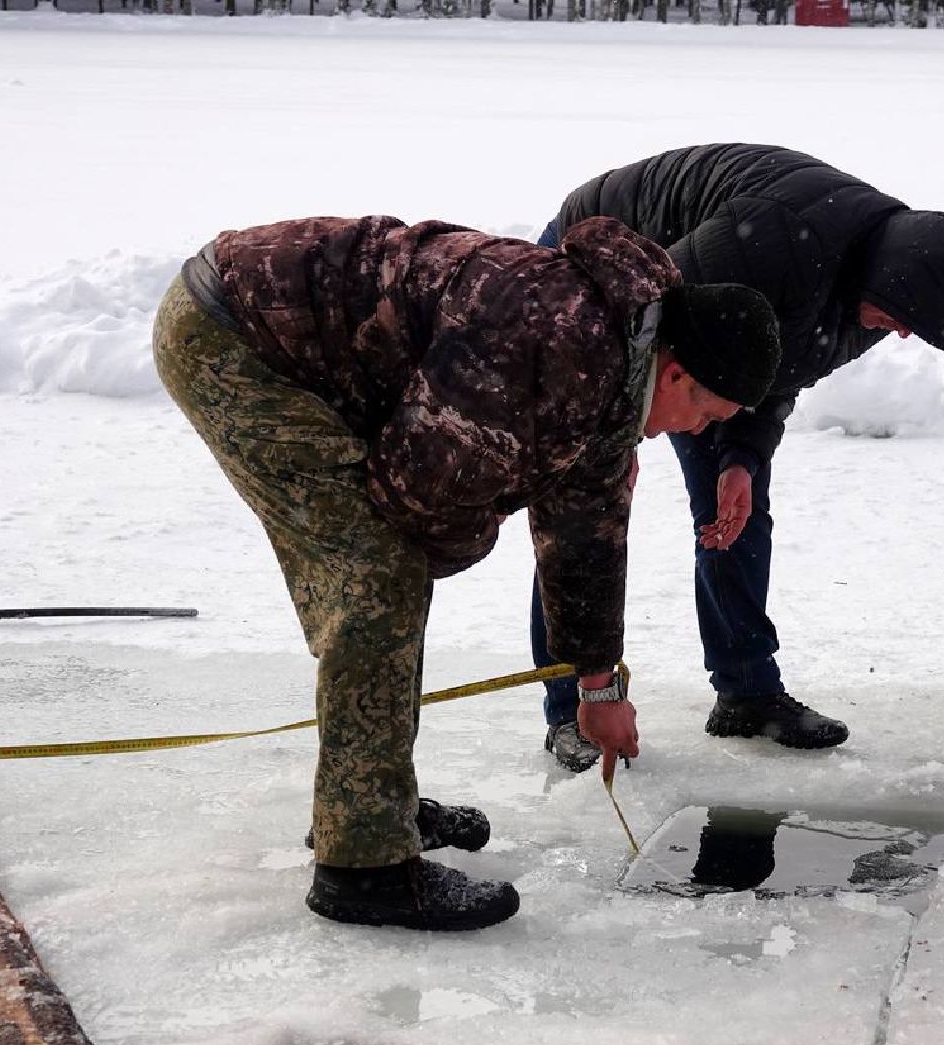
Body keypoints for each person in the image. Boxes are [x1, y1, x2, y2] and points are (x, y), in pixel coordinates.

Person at [153, 213, 780, 932]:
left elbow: (586, 537)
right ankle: (364, 866)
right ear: (676, 371)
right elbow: (419, 499)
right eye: (706, 413)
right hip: (237, 337)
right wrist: (511, 488)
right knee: (376, 581)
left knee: (385, 576)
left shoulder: (616, 363)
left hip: (311, 343)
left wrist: (598, 683)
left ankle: (369, 804)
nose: (698, 433)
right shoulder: (554, 343)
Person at [531, 144, 944, 772]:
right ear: (891, 280)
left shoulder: (871, 299)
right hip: (621, 272)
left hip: (702, 301)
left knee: (736, 507)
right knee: (584, 515)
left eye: (914, 329)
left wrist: (741, 457)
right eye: (904, 319)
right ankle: (570, 707)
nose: (899, 333)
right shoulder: (778, 240)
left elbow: (770, 366)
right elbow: (649, 330)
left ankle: (746, 692)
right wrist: (612, 439)